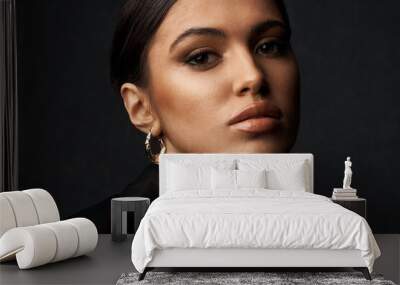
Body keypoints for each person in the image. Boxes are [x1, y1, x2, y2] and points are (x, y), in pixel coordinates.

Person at [75, 0, 301, 232]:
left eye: (269, 46)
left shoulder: (333, 230)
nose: (253, 77)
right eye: (202, 57)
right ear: (142, 108)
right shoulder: (89, 245)